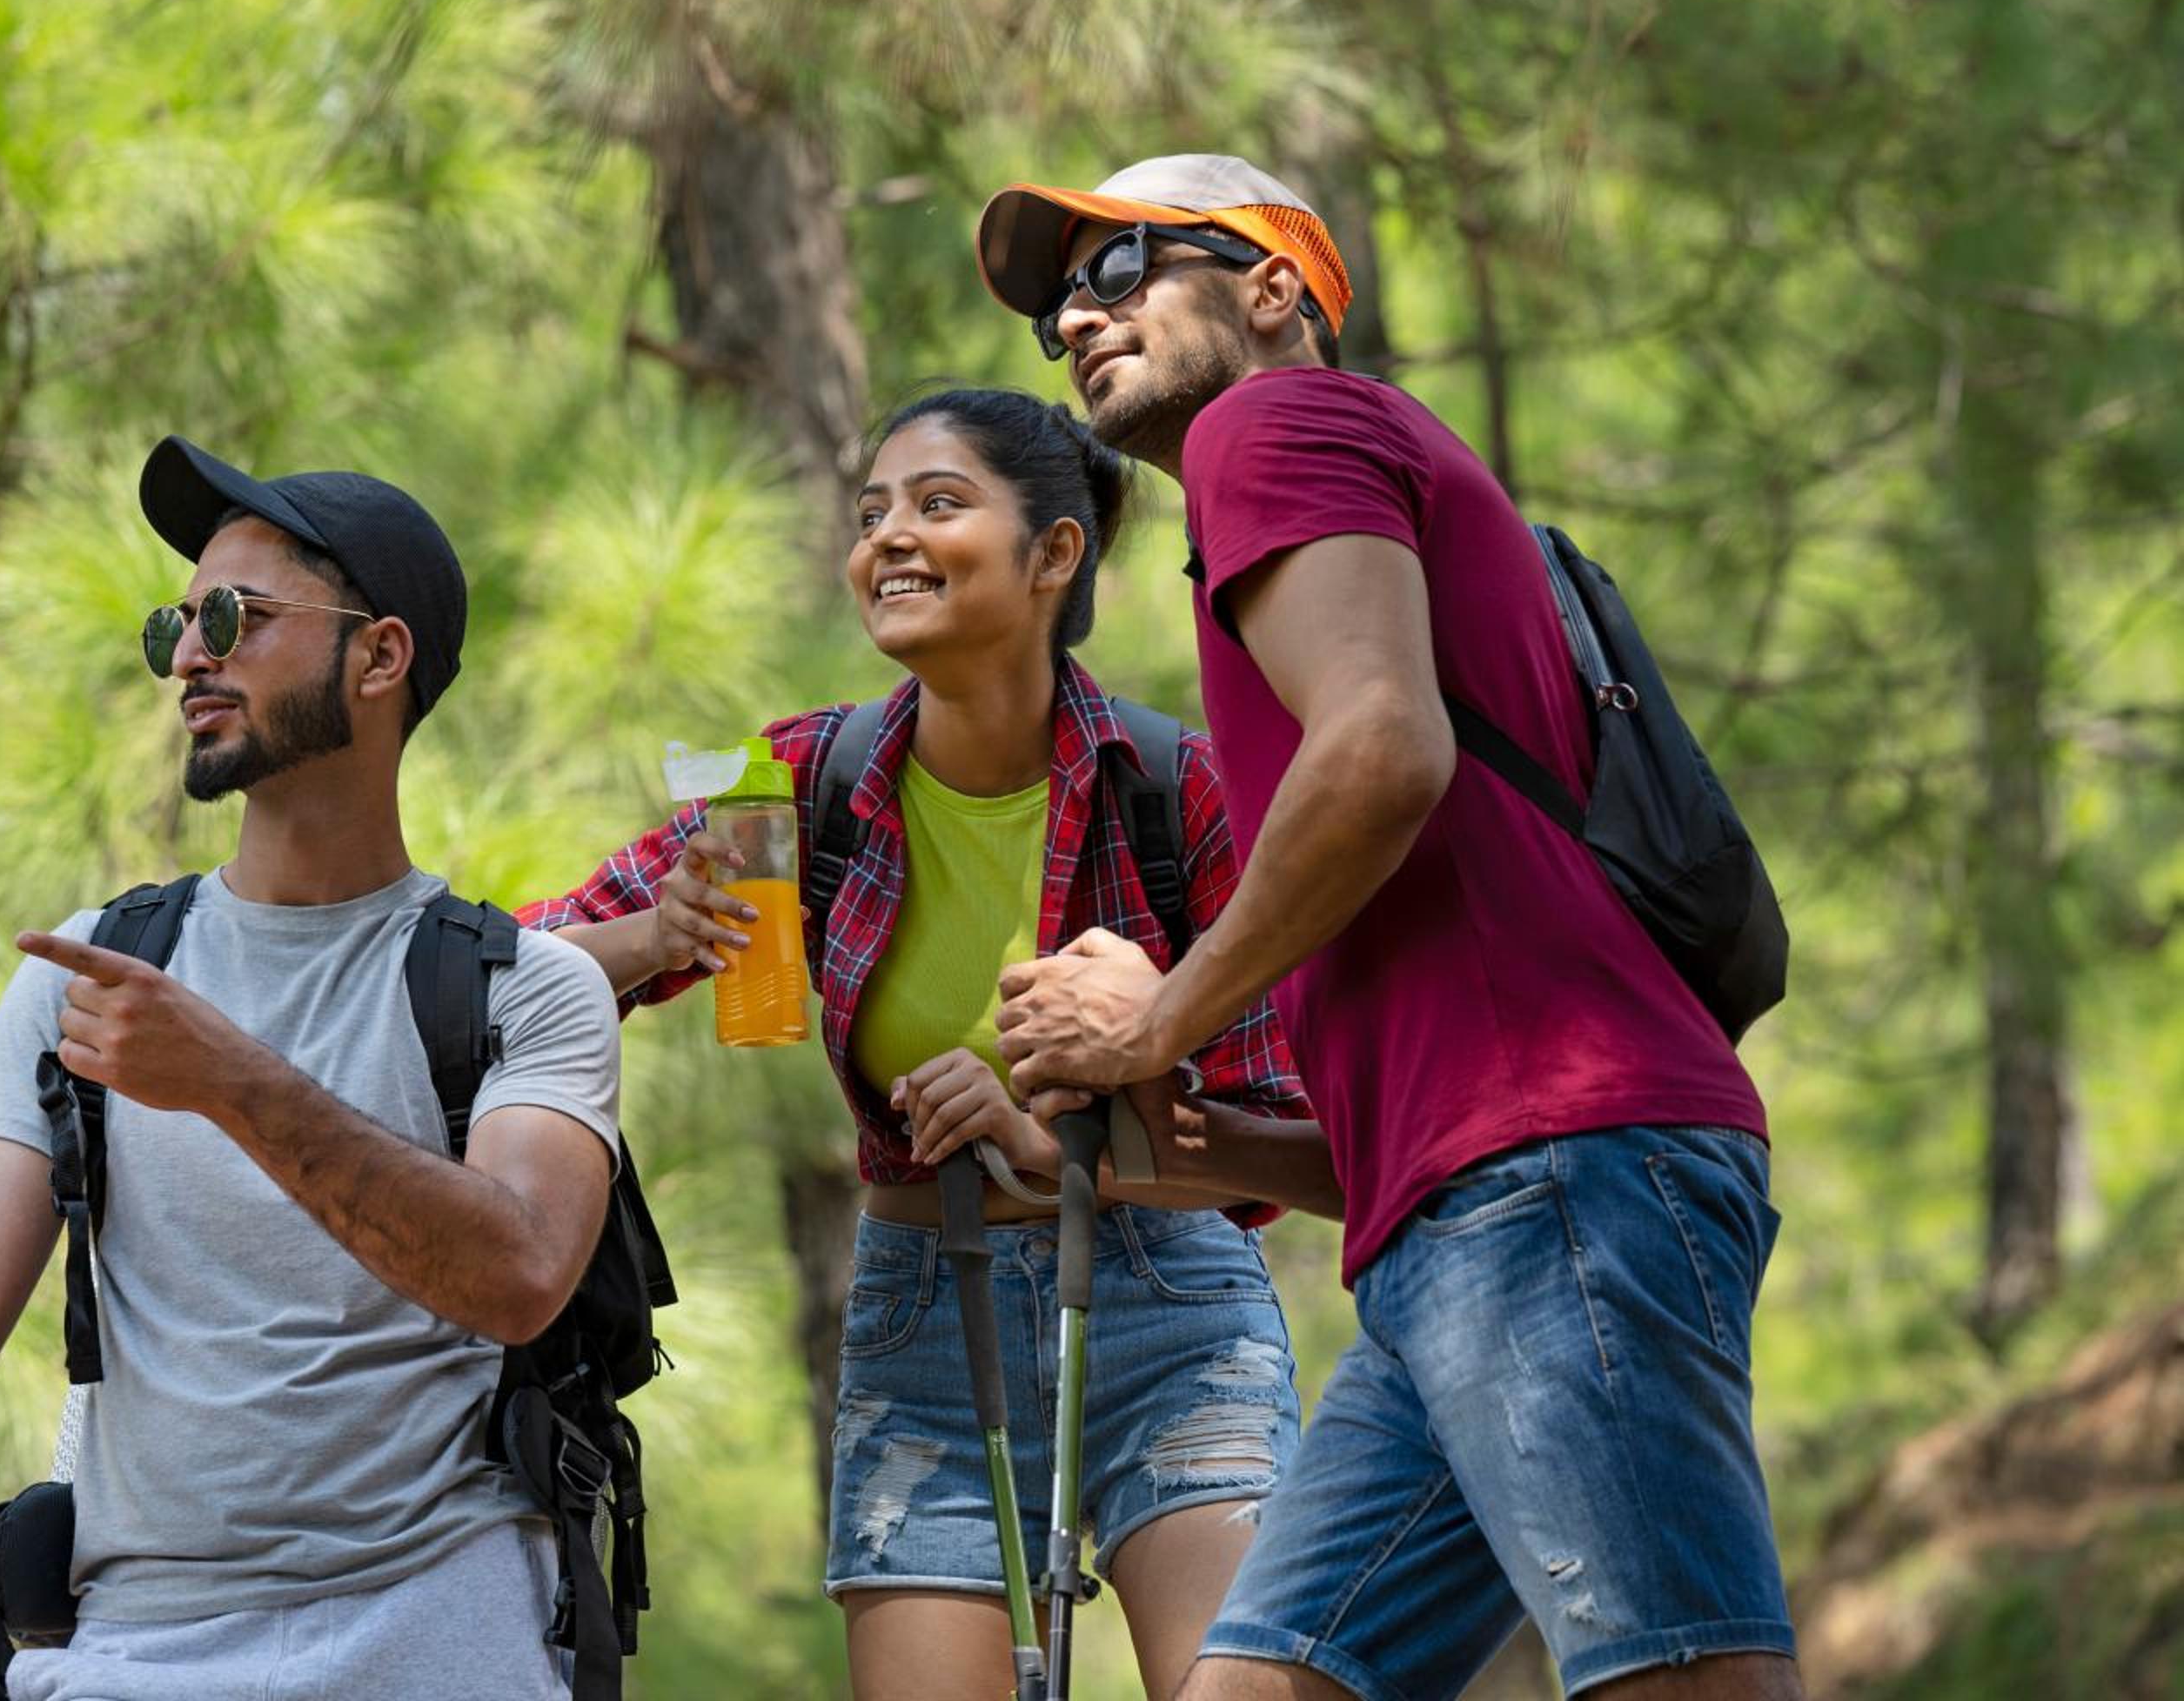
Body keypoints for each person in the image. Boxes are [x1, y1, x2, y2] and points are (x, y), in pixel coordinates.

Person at [975, 156, 1800, 1701]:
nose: (1079, 317)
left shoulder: (1272, 425)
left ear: (1274, 287)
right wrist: (1203, 1140)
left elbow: (1384, 750)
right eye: (1058, 306)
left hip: (1546, 1187)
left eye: (1124, 266)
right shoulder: (1326, 483)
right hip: (1472, 1218)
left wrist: (1159, 1017)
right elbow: (1418, 1075)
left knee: (1679, 1679)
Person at [0, 438, 623, 1700]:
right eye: (175, 626)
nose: (188, 656)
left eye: (233, 618)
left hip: (439, 1640)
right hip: (135, 1647)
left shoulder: (527, 988)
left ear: (379, 657)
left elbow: (517, 1277)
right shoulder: (90, 973)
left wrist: (230, 1081)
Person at [525, 388, 1313, 1700]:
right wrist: (659, 934)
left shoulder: (1176, 790)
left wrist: (1051, 1144)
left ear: (1054, 553)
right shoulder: (804, 783)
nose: (886, 536)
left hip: (1171, 1308)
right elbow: (512, 969)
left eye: (938, 505)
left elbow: (1289, 1142)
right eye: (870, 512)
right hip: (923, 1312)